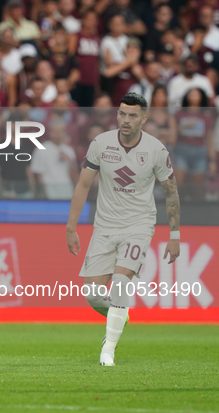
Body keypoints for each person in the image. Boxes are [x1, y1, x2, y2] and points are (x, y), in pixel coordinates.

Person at [66, 93, 180, 366]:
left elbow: (172, 193)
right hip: (104, 226)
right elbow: (82, 185)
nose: (125, 120)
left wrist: (174, 235)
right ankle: (120, 313)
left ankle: (108, 351)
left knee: (120, 283)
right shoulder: (100, 144)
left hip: (138, 225)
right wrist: (71, 226)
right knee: (92, 294)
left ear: (144, 118)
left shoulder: (156, 150)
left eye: (131, 115)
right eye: (121, 114)